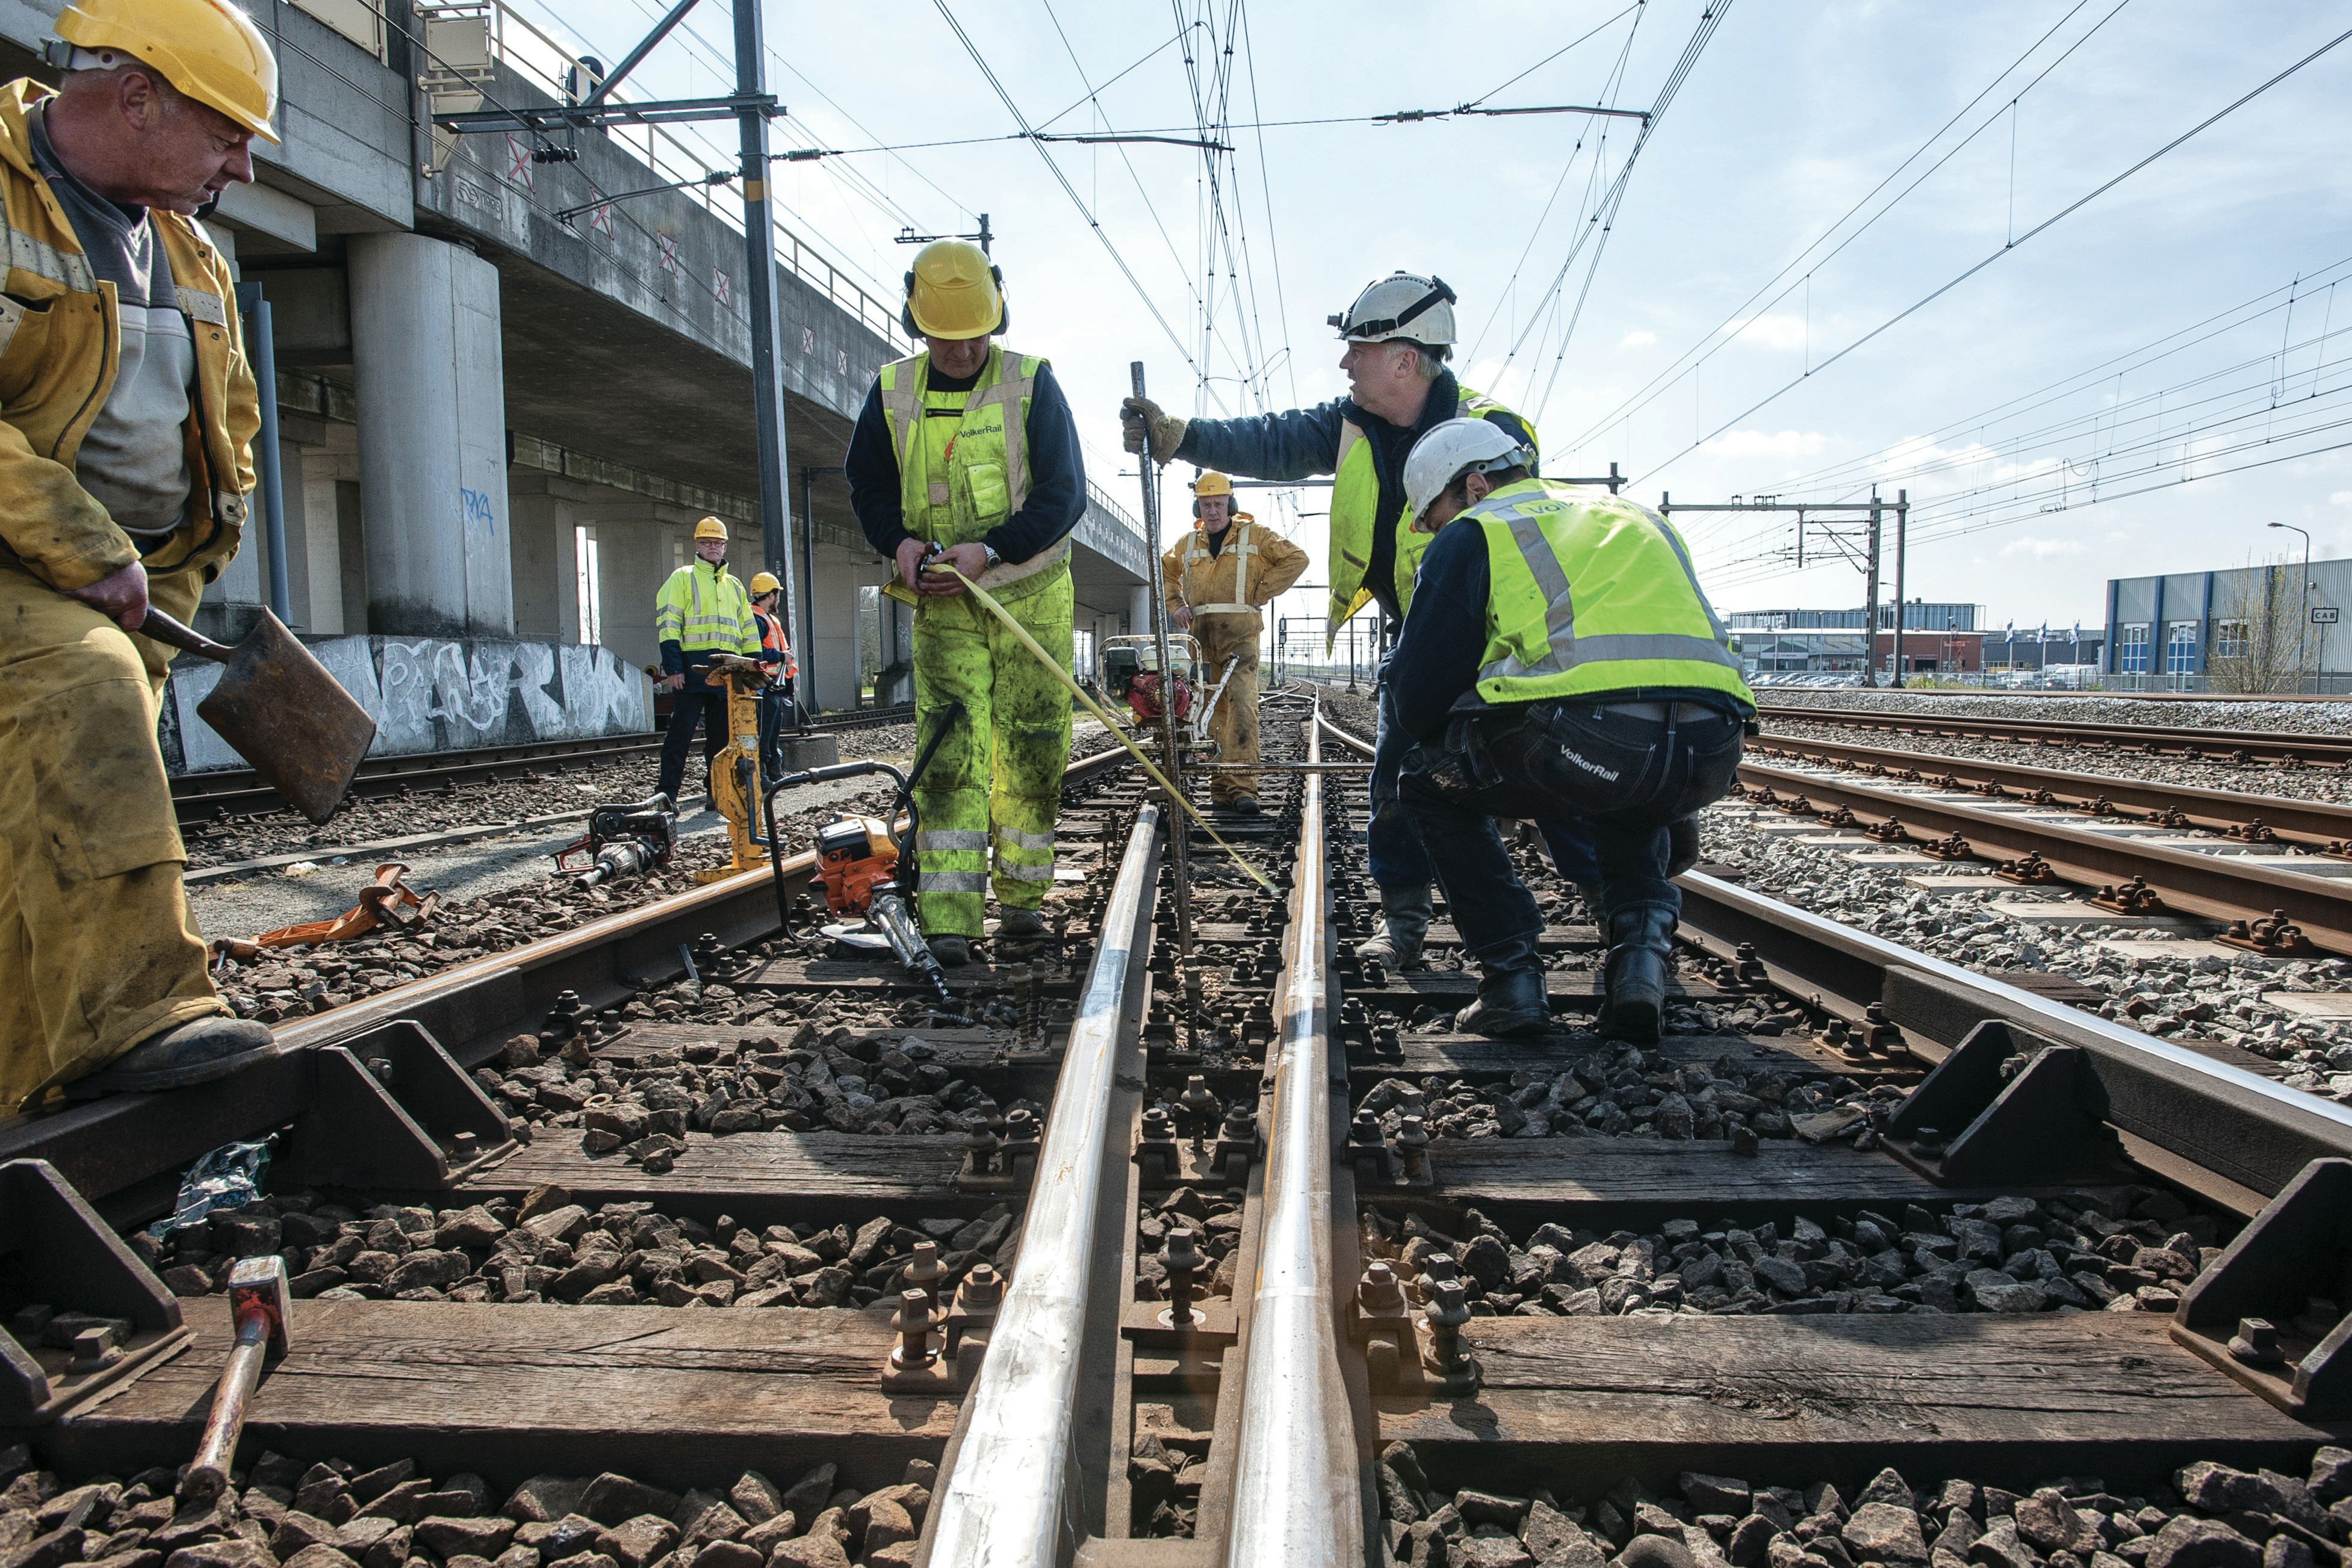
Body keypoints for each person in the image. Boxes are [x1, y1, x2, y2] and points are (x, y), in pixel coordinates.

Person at [0, 0, 284, 1109]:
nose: (243, 167)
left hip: (127, 586)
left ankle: (33, 1082)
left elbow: (234, 425)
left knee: (38, 827)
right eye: (227, 135)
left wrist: (179, 573)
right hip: (29, 567)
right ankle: (136, 1006)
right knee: (82, 682)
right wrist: (77, 547)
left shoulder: (188, 253)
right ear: (135, 98)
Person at [1123, 271, 1539, 967]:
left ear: (1405, 360)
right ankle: (1405, 927)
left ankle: (1631, 935)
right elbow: (1272, 440)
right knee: (1399, 780)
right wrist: (1181, 436)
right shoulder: (1353, 424)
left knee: (1542, 780)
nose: (1346, 364)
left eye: (1359, 351)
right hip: (1419, 627)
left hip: (1501, 633)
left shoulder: (1490, 430)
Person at [1388, 420, 1754, 1042]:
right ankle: (1639, 963)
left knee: (1426, 778)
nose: (1432, 533)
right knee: (1627, 792)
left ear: (1475, 486)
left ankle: (1511, 980)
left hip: (1590, 742)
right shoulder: (1638, 517)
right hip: (1710, 748)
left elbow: (1415, 700)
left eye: (1433, 516)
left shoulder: (1482, 530)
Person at [846, 240, 1085, 967]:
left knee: (1032, 749)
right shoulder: (891, 391)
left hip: (1030, 598)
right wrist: (900, 544)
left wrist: (994, 549)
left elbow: (1063, 493)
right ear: (918, 327)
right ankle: (950, 919)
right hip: (945, 606)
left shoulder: (1032, 383)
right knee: (950, 755)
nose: (961, 350)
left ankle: (1020, 905)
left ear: (997, 317)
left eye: (974, 334)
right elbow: (869, 485)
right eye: (944, 338)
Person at [1160, 473, 1306, 813]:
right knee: (1211, 711)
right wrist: (1176, 604)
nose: (1213, 511)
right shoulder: (1187, 544)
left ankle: (1243, 788)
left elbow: (1297, 558)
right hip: (1201, 638)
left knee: (1241, 705)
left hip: (1240, 636)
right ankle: (1220, 786)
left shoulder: (1256, 536)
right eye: (1206, 504)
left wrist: (1262, 591)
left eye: (1219, 503)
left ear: (1231, 503)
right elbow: (1165, 571)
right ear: (1198, 505)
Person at [653, 516, 760, 805]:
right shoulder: (682, 578)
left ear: (725, 547)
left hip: (726, 676)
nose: (713, 547)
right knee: (680, 737)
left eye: (718, 543)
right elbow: (669, 625)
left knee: (721, 741)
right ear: (698, 545)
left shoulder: (735, 586)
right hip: (691, 672)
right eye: (707, 542)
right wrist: (674, 667)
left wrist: (753, 670)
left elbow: (748, 631)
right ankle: (667, 796)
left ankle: (716, 793)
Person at [748, 569, 797, 784]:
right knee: (764, 734)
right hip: (763, 688)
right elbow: (754, 653)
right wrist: (781, 656)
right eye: (777, 594)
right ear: (770, 595)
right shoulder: (757, 620)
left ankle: (775, 773)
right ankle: (763, 776)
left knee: (772, 733)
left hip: (773, 688)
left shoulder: (768, 619)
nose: (779, 598)